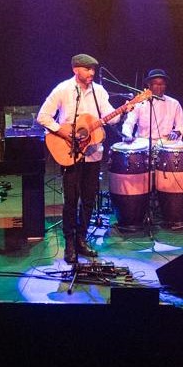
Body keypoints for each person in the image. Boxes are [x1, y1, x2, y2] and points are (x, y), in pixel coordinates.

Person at [39, 54, 115, 263]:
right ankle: (69, 243)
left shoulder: (99, 91)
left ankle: (82, 238)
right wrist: (63, 132)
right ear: (75, 69)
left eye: (93, 69)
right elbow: (43, 116)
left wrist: (124, 109)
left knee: (89, 199)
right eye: (87, 69)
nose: (91, 73)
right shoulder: (63, 89)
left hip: (93, 153)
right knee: (71, 200)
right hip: (69, 152)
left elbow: (111, 115)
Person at [120, 69, 183, 145]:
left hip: (166, 143)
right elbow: (129, 123)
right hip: (143, 143)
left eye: (162, 84)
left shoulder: (174, 103)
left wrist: (177, 132)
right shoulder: (139, 103)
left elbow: (181, 125)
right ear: (149, 85)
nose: (159, 87)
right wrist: (127, 135)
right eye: (156, 84)